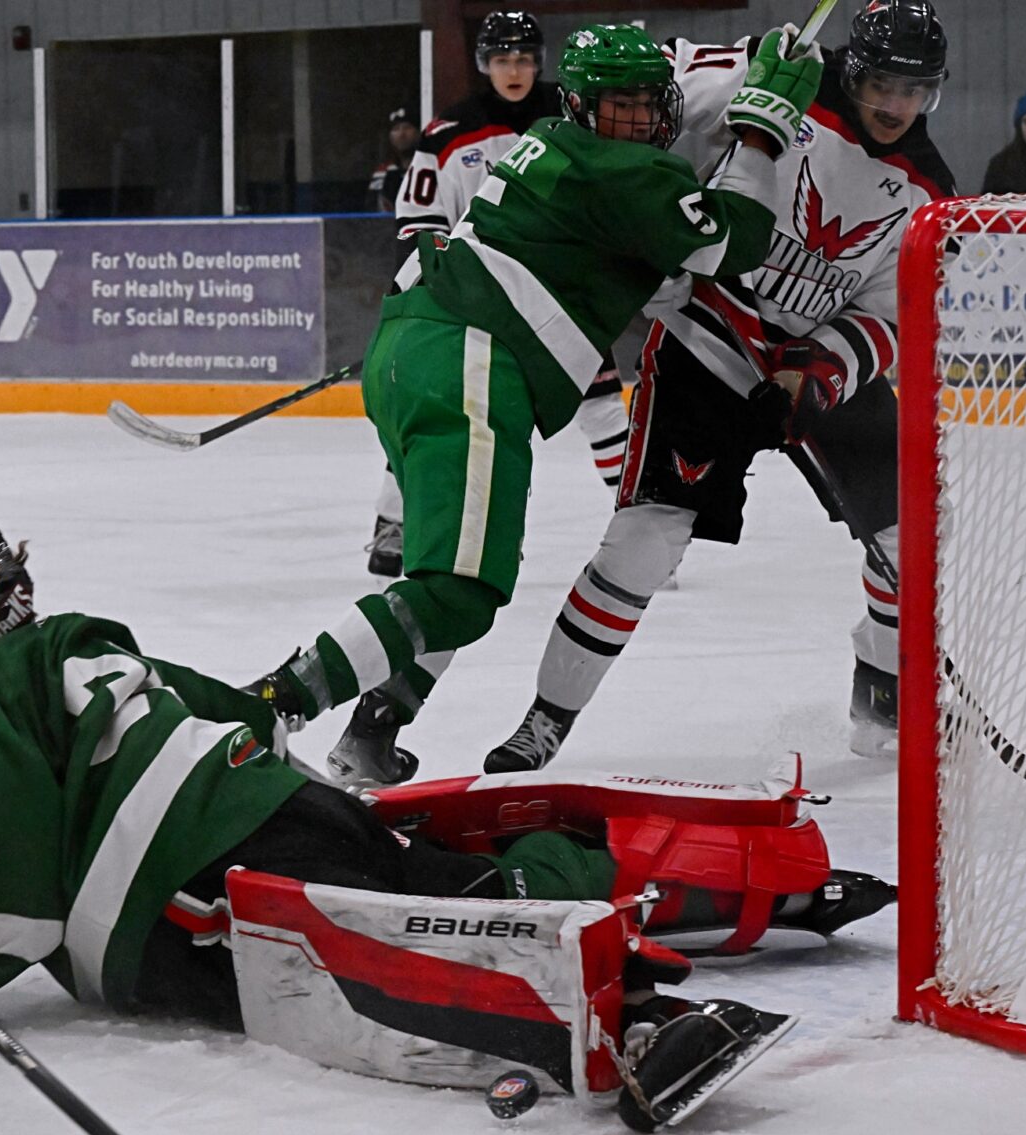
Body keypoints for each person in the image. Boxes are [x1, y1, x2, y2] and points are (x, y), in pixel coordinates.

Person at [0, 517, 888, 1125]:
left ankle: (647, 1022)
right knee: (446, 886)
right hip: (265, 798)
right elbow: (237, 710)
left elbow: (13, 916)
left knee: (411, 961)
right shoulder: (82, 641)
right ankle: (747, 890)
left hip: (183, 892)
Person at [245, 23, 818, 787]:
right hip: (470, 359)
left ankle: (371, 733)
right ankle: (265, 709)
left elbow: (628, 260)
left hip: (421, 350)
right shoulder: (620, 171)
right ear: (582, 106)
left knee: (466, 567)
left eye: (649, 101)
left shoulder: (557, 146)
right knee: (460, 589)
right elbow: (733, 240)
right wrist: (762, 133)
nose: (641, 118)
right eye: (621, 105)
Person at [485, 0, 959, 775]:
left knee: (913, 528)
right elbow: (645, 96)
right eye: (882, 85)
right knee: (645, 540)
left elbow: (889, 318)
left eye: (915, 92)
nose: (896, 107)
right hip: (707, 342)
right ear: (850, 67)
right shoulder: (774, 79)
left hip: (810, 369)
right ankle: (544, 722)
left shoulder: (926, 195)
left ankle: (882, 698)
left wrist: (818, 375)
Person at [364, 10, 627, 579]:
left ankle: (636, 521)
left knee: (602, 404)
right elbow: (418, 218)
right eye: (503, 59)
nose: (515, 69)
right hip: (478, 297)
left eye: (525, 58)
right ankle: (395, 520)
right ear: (486, 65)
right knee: (434, 401)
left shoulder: (573, 115)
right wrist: (435, 280)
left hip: (557, 298)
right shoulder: (449, 130)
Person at [367, 107, 420, 214]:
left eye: (407, 127)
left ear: (418, 132)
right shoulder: (382, 172)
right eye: (396, 129)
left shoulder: (429, 167)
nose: (401, 134)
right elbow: (371, 212)